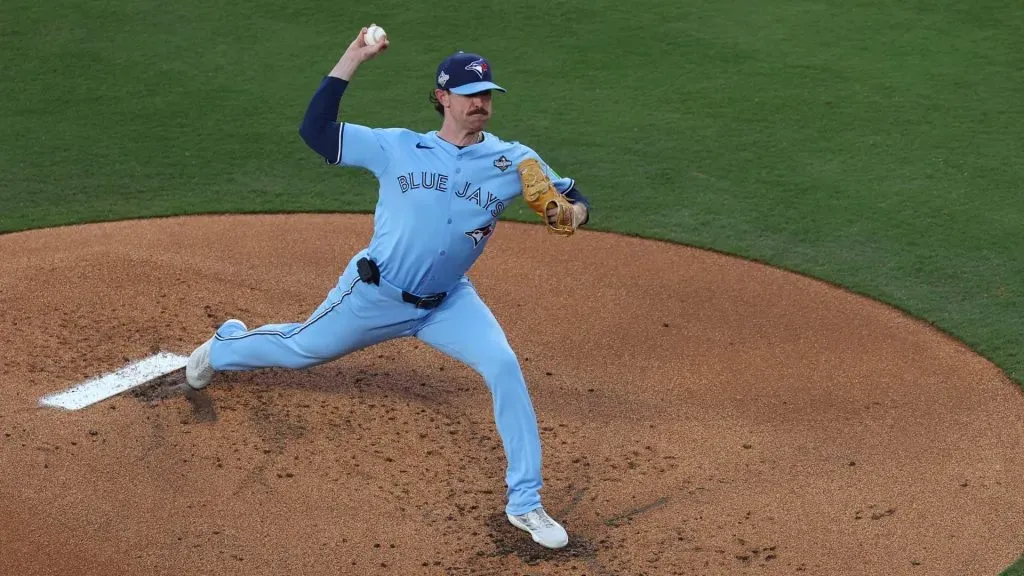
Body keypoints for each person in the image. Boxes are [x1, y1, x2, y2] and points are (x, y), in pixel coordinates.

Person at [185, 26, 591, 550]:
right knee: (299, 350)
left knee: (504, 366)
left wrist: (569, 212)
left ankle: (526, 503)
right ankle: (225, 345)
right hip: (375, 294)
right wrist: (354, 56)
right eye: (469, 96)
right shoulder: (397, 147)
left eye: (486, 95)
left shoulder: (513, 160)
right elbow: (315, 130)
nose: (480, 105)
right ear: (443, 98)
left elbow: (575, 197)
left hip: (449, 303)